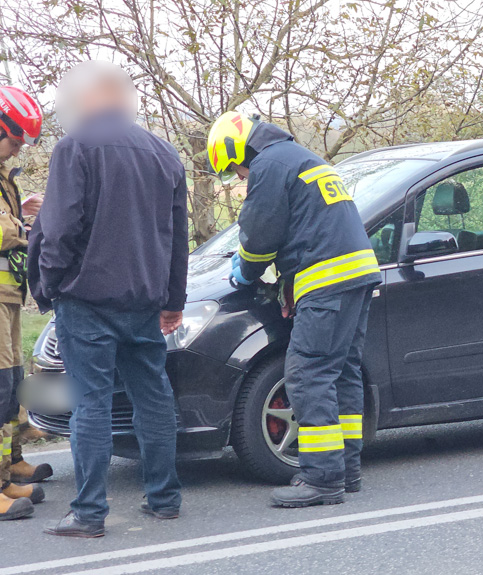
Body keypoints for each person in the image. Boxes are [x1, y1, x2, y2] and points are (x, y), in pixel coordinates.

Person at [29, 61, 189, 537]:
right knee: (154, 398)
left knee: (91, 403)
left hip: (88, 301)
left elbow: (59, 231)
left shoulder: (75, 146)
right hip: (144, 300)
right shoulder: (165, 153)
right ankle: (165, 499)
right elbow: (176, 238)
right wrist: (172, 300)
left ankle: (89, 514)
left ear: (87, 97)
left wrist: (51, 284)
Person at [207, 112, 380, 508]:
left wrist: (244, 273)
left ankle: (321, 479)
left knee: (307, 374)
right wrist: (288, 282)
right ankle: (346, 470)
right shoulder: (298, 157)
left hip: (327, 282)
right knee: (342, 372)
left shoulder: (268, 165)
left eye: (236, 170)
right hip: (356, 276)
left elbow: (260, 235)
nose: (239, 178)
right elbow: (307, 227)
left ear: (237, 152)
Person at [0, 85, 50, 521]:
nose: (18, 150)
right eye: (15, 140)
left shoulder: (2, 174)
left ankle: (7, 467)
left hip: (7, 296)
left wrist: (22, 210)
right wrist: (24, 225)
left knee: (10, 383)